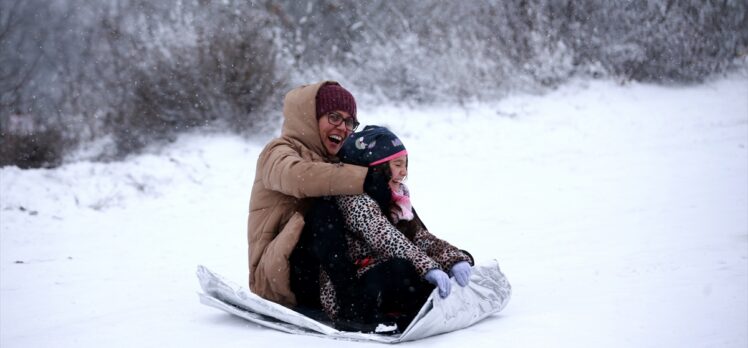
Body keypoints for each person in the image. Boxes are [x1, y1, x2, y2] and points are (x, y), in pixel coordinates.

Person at [312, 125, 475, 331]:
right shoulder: (353, 199)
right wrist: (429, 268)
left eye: (405, 164)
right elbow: (386, 238)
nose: (404, 172)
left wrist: (453, 259)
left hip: (385, 275)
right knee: (401, 269)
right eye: (397, 164)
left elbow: (419, 237)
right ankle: (398, 314)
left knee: (459, 259)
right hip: (351, 294)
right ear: (376, 168)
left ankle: (425, 300)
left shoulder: (394, 199)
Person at [247, 81, 375, 315]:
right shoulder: (276, 152)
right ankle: (350, 300)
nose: (343, 127)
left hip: (326, 271)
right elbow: (297, 176)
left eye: (349, 121)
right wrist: (364, 179)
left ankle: (428, 266)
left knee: (372, 202)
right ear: (309, 118)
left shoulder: (338, 162)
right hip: (279, 275)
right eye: (334, 117)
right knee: (324, 208)